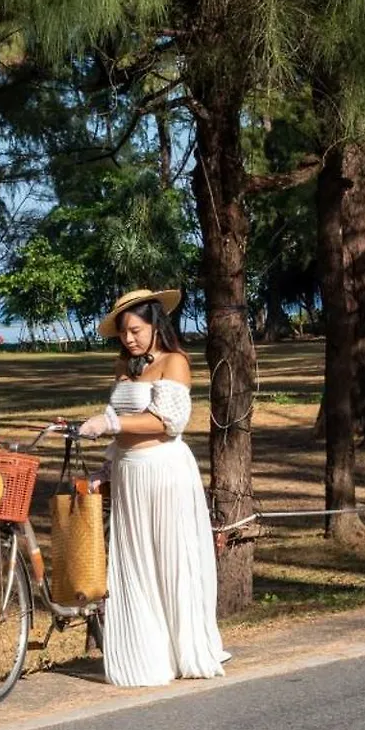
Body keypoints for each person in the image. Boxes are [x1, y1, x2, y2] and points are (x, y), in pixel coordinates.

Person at [72, 288, 228, 687]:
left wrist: (112, 424)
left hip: (163, 472)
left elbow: (166, 422)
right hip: (129, 473)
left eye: (136, 330)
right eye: (123, 333)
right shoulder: (123, 365)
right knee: (136, 561)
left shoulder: (174, 363)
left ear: (155, 324)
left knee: (172, 558)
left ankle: (185, 648)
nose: (129, 339)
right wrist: (105, 468)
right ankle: (148, 654)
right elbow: (117, 415)